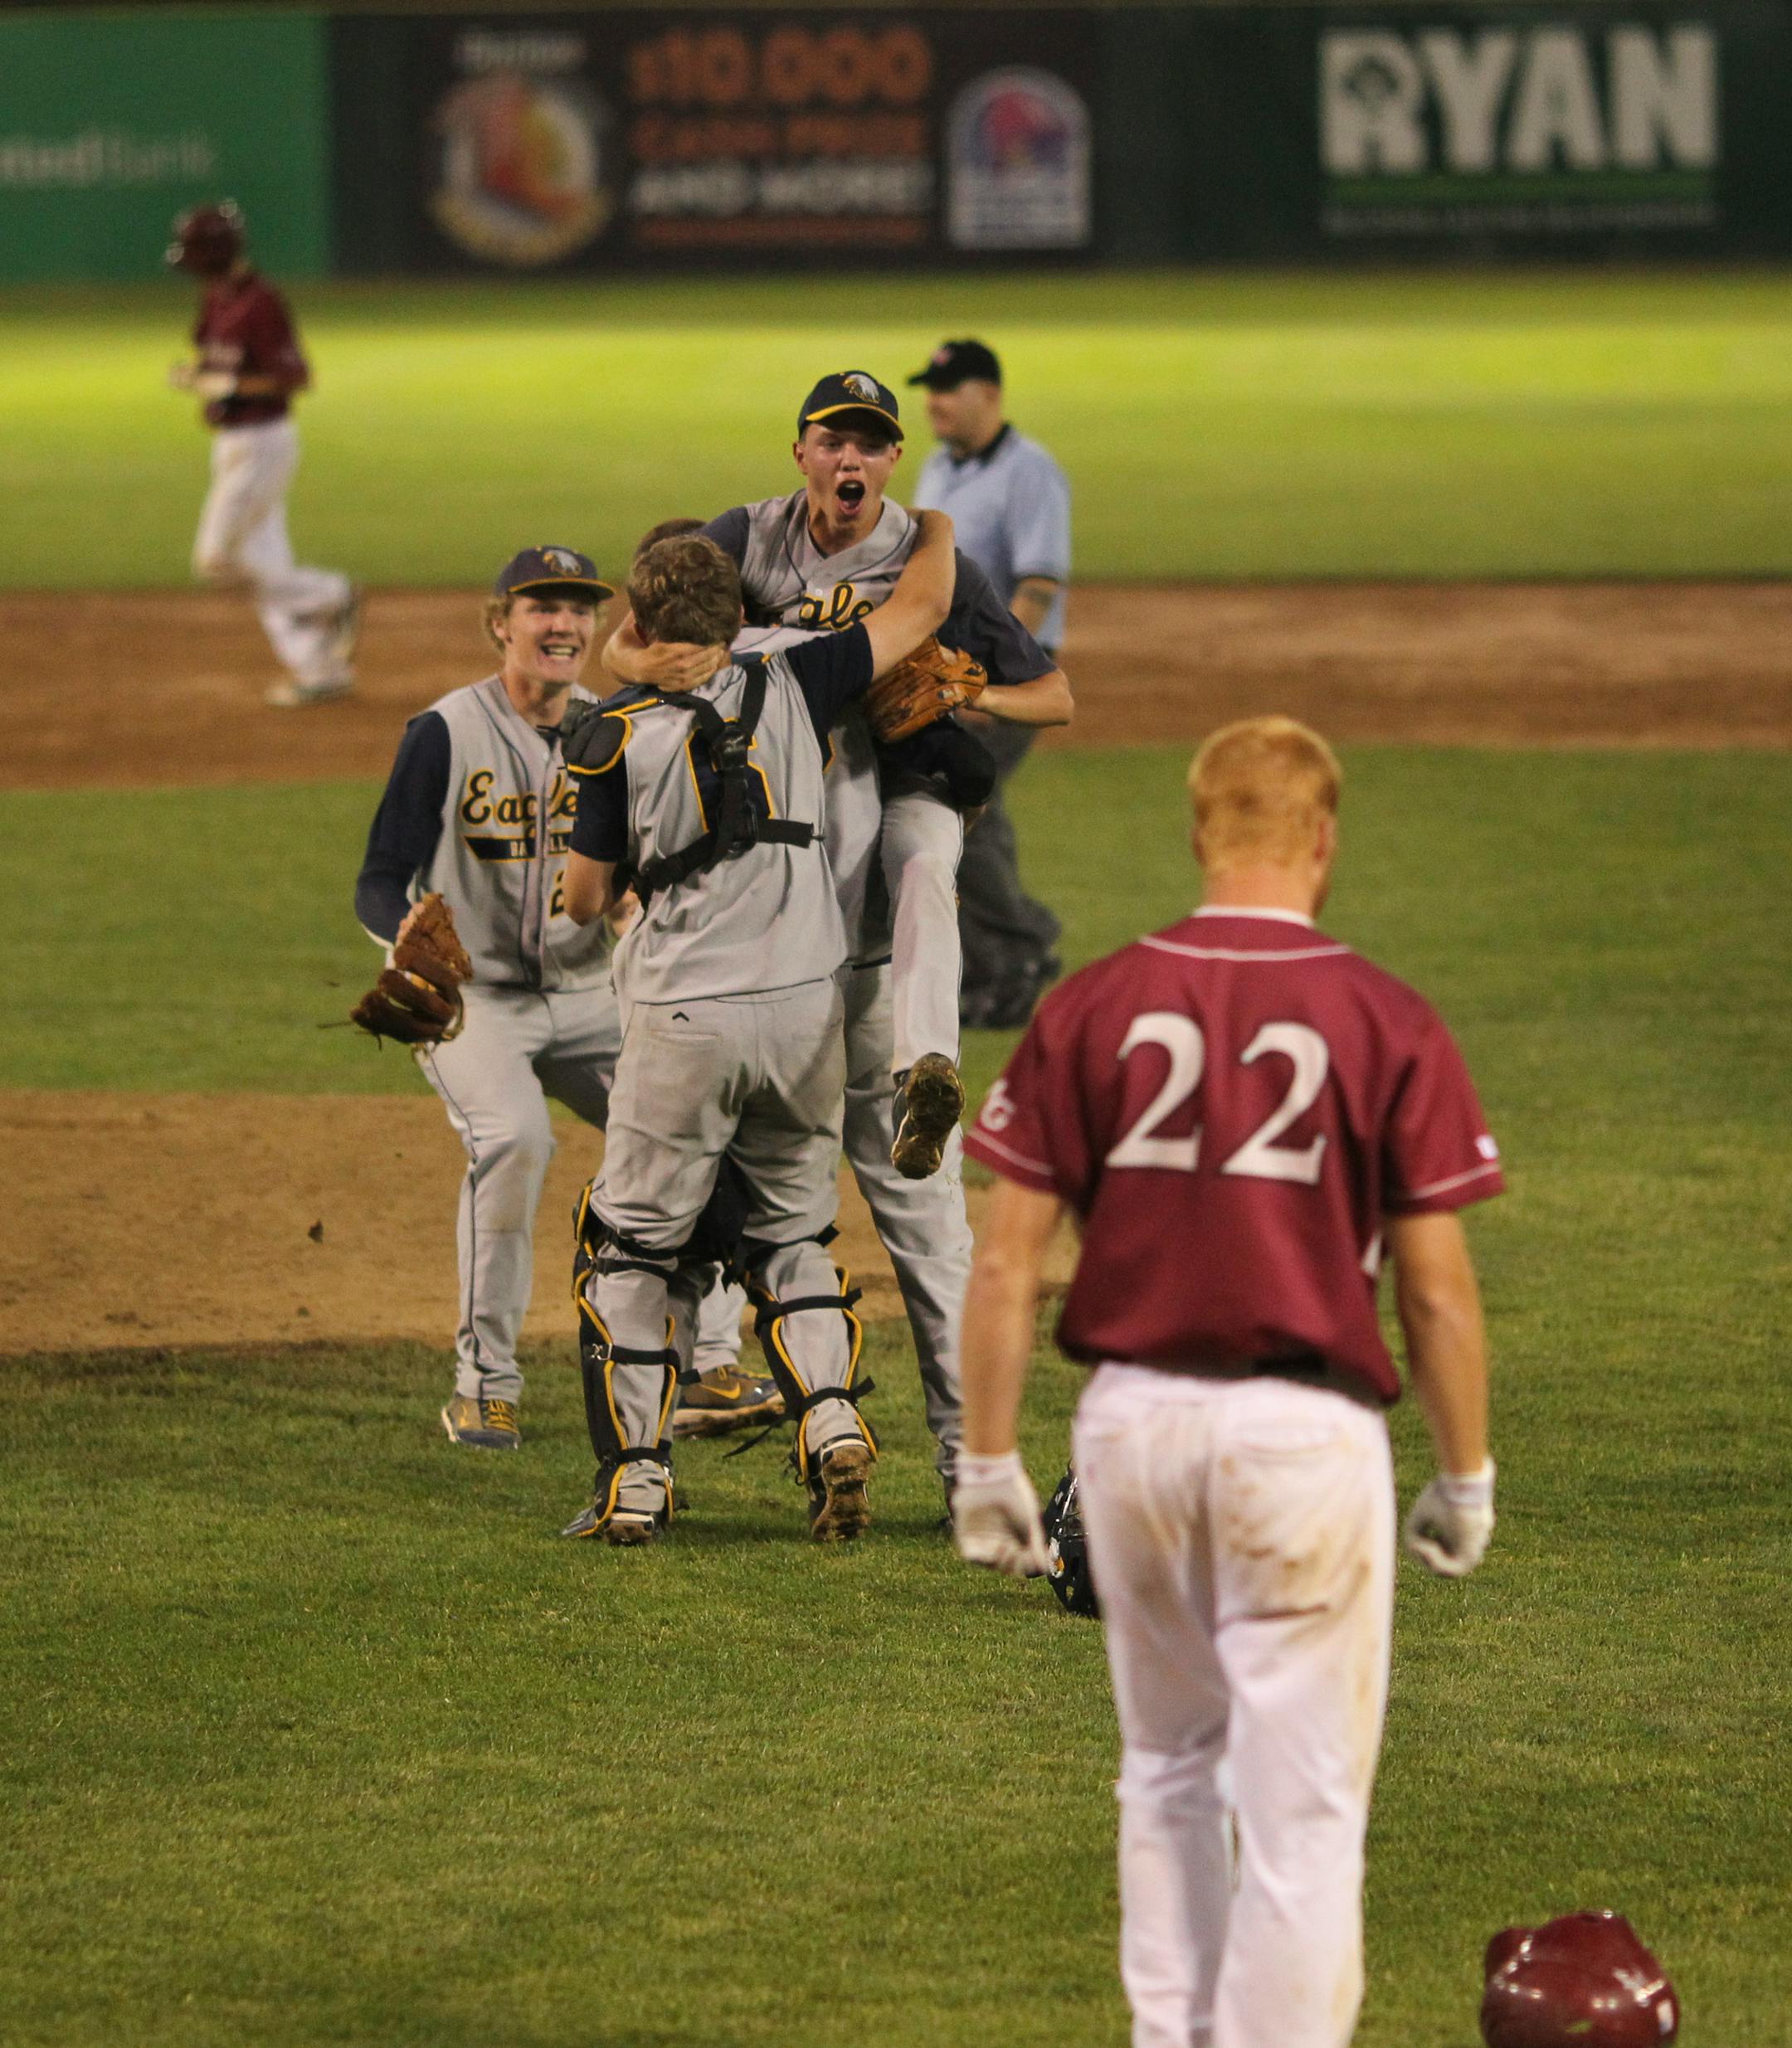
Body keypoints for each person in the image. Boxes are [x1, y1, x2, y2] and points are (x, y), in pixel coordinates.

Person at [952, 716, 1504, 2048]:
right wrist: (1466, 1475)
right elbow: (1432, 1290)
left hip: (1132, 1432)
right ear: (1324, 843)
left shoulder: (1092, 1002)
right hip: (1306, 1441)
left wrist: (986, 1462)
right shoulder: (1384, 1015)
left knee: (1167, 1773)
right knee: (1303, 1813)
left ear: (1200, 833)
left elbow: (1006, 1261)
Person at [601, 369, 1073, 1505]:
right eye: (835, 439)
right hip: (795, 980)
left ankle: (927, 1069)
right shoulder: (748, 549)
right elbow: (630, 640)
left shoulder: (922, 556)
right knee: (777, 1201)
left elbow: (1042, 690)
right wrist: (649, 659)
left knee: (915, 858)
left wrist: (971, 693)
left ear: (891, 458)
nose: (852, 459)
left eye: (873, 442)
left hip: (830, 971)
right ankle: (744, 1381)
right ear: (803, 452)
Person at [556, 514, 957, 1545]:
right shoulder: (799, 680)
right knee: (791, 1234)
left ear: (639, 623)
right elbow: (924, 606)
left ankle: (637, 1483)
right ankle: (829, 1421)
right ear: (737, 618)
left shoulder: (609, 733)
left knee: (631, 1252)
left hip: (686, 1020)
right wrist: (940, 521)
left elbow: (582, 898)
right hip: (803, 1014)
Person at [353, 545, 781, 1452]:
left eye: (579, 609)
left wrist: (639, 914)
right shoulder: (444, 732)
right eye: (541, 607)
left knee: (708, 1133)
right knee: (513, 1137)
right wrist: (407, 948)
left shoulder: (620, 723)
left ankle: (708, 1363)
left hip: (595, 994)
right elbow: (380, 877)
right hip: (479, 1007)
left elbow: (650, 866)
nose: (562, 625)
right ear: (501, 623)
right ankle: (484, 1385)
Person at [909, 338, 1071, 1027]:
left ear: (991, 395)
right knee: (964, 810)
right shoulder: (937, 469)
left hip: (1000, 680)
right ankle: (996, 962)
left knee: (955, 803)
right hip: (940, 679)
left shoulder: (1030, 471)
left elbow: (1038, 582)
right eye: (932, 388)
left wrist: (994, 684)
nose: (935, 401)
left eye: (951, 387)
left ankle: (1019, 943)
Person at [164, 201, 359, 710]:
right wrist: (197, 376)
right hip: (231, 444)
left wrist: (227, 382)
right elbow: (211, 361)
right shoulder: (216, 299)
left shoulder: (261, 302)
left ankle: (330, 593)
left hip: (263, 443)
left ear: (212, 253)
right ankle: (319, 667)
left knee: (217, 559)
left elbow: (296, 377)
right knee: (264, 562)